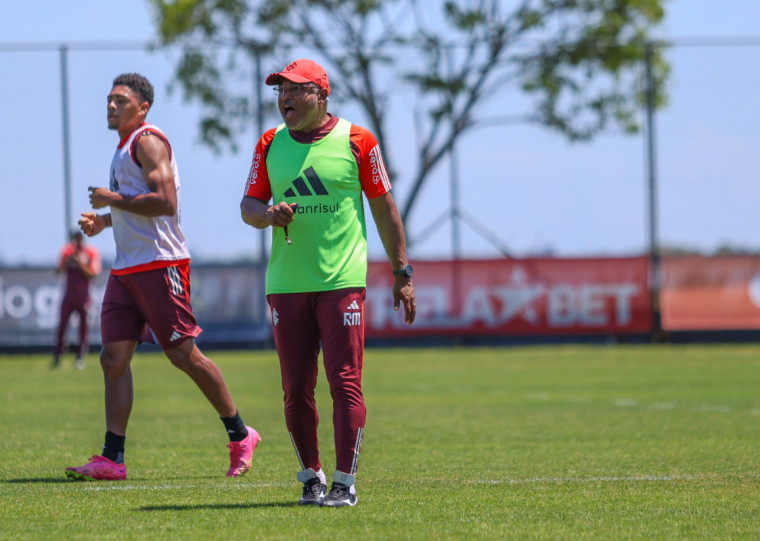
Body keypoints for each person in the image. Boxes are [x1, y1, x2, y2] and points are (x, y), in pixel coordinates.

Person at [65, 73, 259, 481]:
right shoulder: (122, 148)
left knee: (182, 355)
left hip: (160, 264)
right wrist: (105, 221)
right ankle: (112, 459)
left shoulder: (148, 141)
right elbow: (136, 204)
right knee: (113, 357)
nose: (112, 106)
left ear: (143, 108)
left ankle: (241, 435)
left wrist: (111, 199)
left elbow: (165, 203)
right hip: (127, 268)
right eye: (109, 99)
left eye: (121, 100)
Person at [240, 59, 416, 507]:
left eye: (297, 91)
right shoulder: (268, 143)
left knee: (344, 382)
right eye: (280, 91)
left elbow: (384, 208)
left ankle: (344, 482)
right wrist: (267, 216)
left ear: (322, 95)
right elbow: (249, 205)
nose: (285, 98)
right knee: (295, 388)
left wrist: (402, 272)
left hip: (342, 281)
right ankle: (310, 479)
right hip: (285, 284)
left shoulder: (358, 140)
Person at [52, 230, 101, 370]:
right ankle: (58, 355)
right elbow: (58, 271)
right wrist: (66, 262)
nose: (76, 242)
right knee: (62, 325)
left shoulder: (90, 252)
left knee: (84, 327)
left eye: (79, 239)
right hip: (68, 295)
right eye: (74, 239)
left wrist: (80, 263)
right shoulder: (67, 252)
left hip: (84, 297)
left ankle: (80, 356)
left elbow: (93, 274)